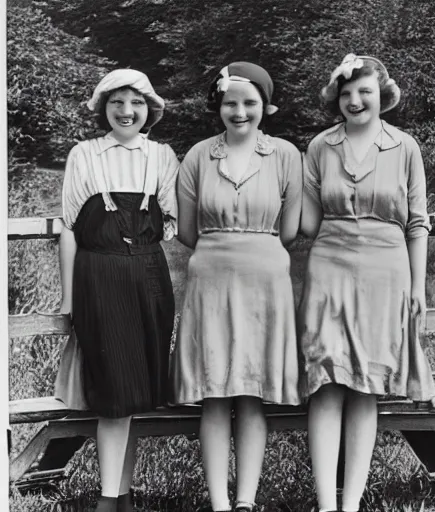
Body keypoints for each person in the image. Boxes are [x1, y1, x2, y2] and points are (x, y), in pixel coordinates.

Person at [298, 54, 435, 512]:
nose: (355, 101)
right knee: (326, 380)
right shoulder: (320, 146)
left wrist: (417, 286)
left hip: (386, 271)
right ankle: (324, 503)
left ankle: (351, 504)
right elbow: (309, 222)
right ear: (336, 99)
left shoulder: (405, 146)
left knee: (365, 384)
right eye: (346, 93)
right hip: (330, 267)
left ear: (382, 95)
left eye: (365, 92)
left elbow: (417, 223)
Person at [170, 62, 302, 512]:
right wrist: (223, 244)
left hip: (265, 280)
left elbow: (289, 229)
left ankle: (245, 499)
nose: (240, 111)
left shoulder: (285, 155)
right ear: (218, 106)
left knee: (251, 390)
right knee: (214, 389)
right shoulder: (197, 156)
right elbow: (187, 230)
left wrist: (250, 244)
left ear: (266, 106)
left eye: (249, 103)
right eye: (231, 103)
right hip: (210, 278)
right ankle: (220, 502)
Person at [56, 69, 178, 512]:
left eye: (137, 103)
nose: (127, 112)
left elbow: (173, 221)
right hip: (99, 274)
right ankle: (108, 500)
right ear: (103, 108)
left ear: (150, 111)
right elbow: (70, 229)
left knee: (135, 390)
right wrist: (70, 298)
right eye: (117, 103)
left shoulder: (162, 156)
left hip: (147, 274)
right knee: (113, 389)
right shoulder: (84, 154)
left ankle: (122, 494)